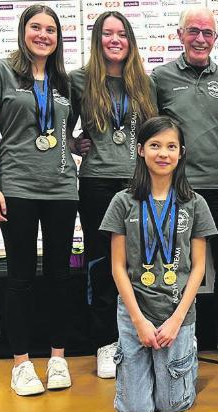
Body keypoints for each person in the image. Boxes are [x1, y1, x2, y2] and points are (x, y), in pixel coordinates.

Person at [0, 5, 76, 396]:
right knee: (19, 278)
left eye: (50, 29)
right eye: (36, 27)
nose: (43, 35)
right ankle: (20, 363)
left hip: (63, 188)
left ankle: (57, 358)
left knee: (59, 276)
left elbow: (62, 133)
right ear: (23, 31)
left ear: (58, 38)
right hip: (16, 187)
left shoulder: (64, 81)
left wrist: (76, 145)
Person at [99, 116, 217, 412]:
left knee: (171, 406)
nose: (163, 153)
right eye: (155, 145)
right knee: (135, 410)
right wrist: (138, 321)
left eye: (171, 146)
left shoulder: (195, 204)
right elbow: (117, 267)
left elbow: (199, 268)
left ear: (181, 153)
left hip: (176, 312)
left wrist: (177, 320)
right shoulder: (122, 202)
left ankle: (182, 364)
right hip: (134, 312)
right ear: (140, 150)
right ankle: (146, 372)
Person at [151, 7, 218, 361]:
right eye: (193, 31)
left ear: (216, 39)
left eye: (207, 33)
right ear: (179, 35)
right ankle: (166, 325)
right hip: (176, 189)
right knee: (168, 260)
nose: (200, 39)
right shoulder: (159, 78)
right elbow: (146, 133)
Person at [68, 11, 157, 379]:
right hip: (97, 182)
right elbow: (55, 122)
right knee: (102, 263)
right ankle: (105, 342)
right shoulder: (79, 80)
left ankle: (142, 336)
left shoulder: (144, 83)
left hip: (139, 183)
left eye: (122, 33)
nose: (115, 40)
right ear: (97, 39)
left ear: (130, 40)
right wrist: (72, 143)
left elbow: (156, 132)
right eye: (107, 33)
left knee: (142, 261)